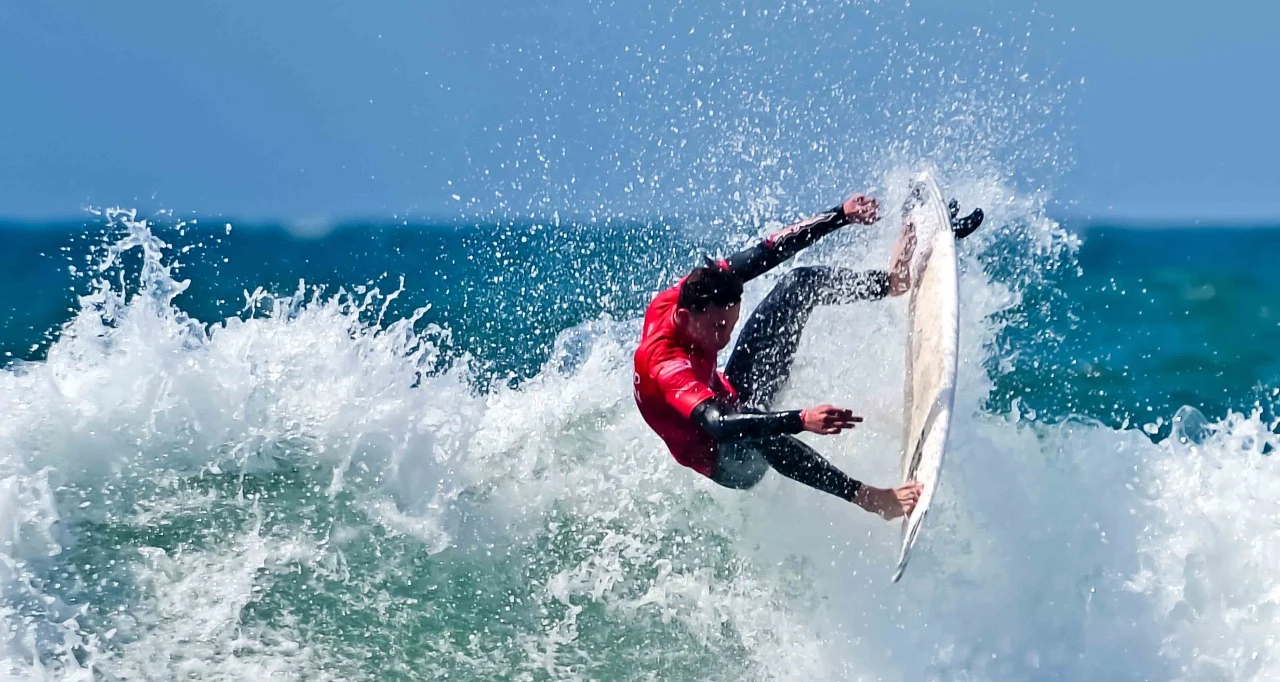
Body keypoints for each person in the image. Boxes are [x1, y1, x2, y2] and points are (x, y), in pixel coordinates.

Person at [632, 191, 982, 520]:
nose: (724, 339)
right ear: (683, 319)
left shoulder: (693, 291)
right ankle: (871, 499)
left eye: (730, 325)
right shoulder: (665, 364)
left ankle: (894, 282)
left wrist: (839, 215)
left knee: (797, 285)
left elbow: (768, 251)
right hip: (727, 459)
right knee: (754, 426)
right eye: (717, 328)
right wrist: (802, 420)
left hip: (732, 397)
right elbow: (720, 426)